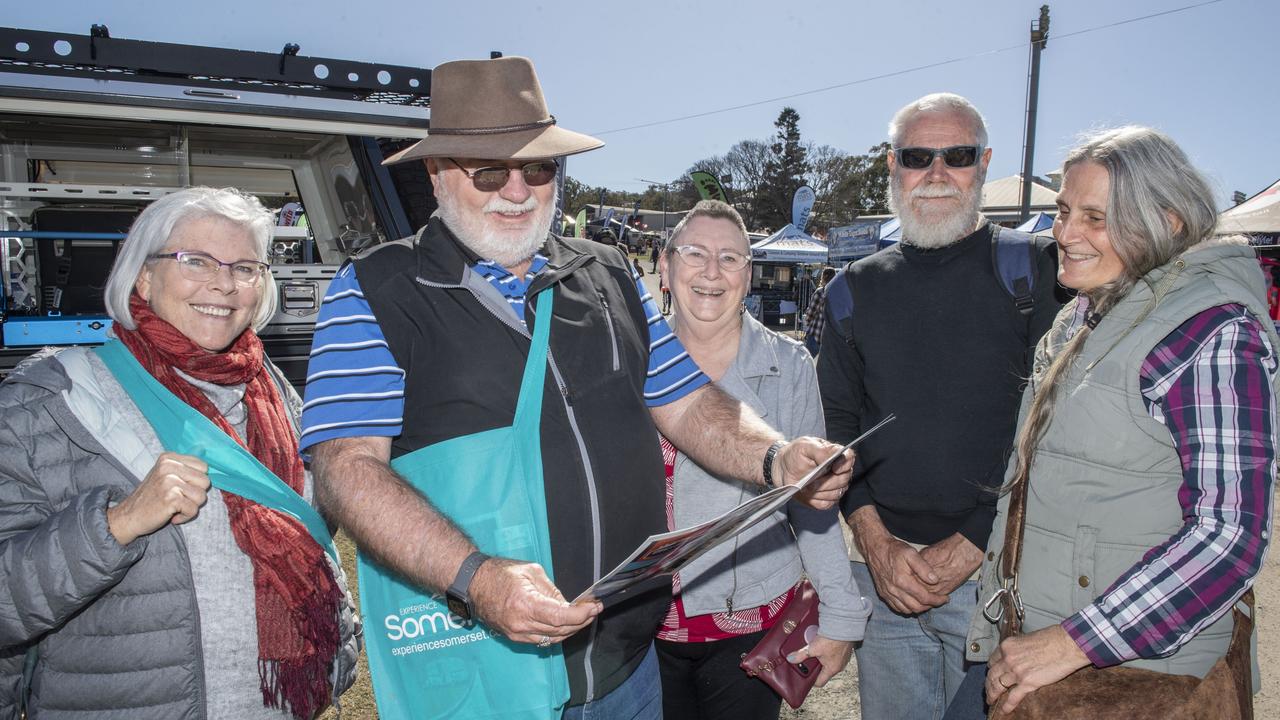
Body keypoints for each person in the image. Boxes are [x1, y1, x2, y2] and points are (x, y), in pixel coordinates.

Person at [300, 56, 853, 719]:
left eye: (538, 168)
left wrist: (775, 458)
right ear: (437, 172)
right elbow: (347, 472)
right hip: (484, 668)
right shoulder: (373, 291)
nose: (518, 190)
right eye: (490, 171)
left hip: (626, 664)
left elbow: (689, 403)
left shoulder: (611, 274)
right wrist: (476, 577)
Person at [951, 126, 1278, 717]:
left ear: (1169, 223)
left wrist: (1072, 643)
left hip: (1138, 680)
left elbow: (1226, 537)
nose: (1066, 233)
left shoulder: (1211, 333)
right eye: (1064, 209)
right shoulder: (1089, 311)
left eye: (1096, 218)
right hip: (1041, 650)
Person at [0, 187, 359, 719]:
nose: (223, 283)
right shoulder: (53, 398)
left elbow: (311, 534)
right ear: (142, 276)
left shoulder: (275, 392)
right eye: (195, 261)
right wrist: (116, 523)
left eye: (245, 267)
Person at [815, 92, 1061, 719]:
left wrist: (975, 542)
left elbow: (1053, 429)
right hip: (886, 577)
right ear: (893, 168)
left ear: (983, 164)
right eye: (918, 156)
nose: (936, 174)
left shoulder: (1036, 271)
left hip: (998, 580)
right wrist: (873, 541)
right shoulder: (851, 289)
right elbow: (837, 430)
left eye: (956, 156)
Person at [653, 200, 870, 719]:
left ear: (748, 276)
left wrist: (841, 617)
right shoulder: (627, 357)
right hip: (640, 631)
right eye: (695, 253)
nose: (711, 272)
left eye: (730, 258)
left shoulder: (789, 364)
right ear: (664, 265)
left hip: (749, 626)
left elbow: (812, 502)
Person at [801, 266, 837, 356]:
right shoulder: (838, 293)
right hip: (830, 337)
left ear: (823, 277)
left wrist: (808, 324)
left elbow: (810, 312)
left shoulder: (820, 292)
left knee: (806, 361)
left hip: (816, 332)